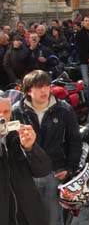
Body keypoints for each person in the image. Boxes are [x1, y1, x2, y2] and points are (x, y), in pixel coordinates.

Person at [11, 70, 83, 225]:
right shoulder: (17, 111)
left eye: (46, 86)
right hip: (27, 175)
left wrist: (70, 169)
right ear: (28, 90)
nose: (44, 90)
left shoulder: (63, 109)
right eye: (38, 87)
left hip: (54, 172)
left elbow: (75, 141)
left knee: (53, 218)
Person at [0, 91, 52, 225]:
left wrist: (31, 148)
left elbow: (43, 170)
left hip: (31, 216)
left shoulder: (17, 136)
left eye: (6, 112)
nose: (2, 117)